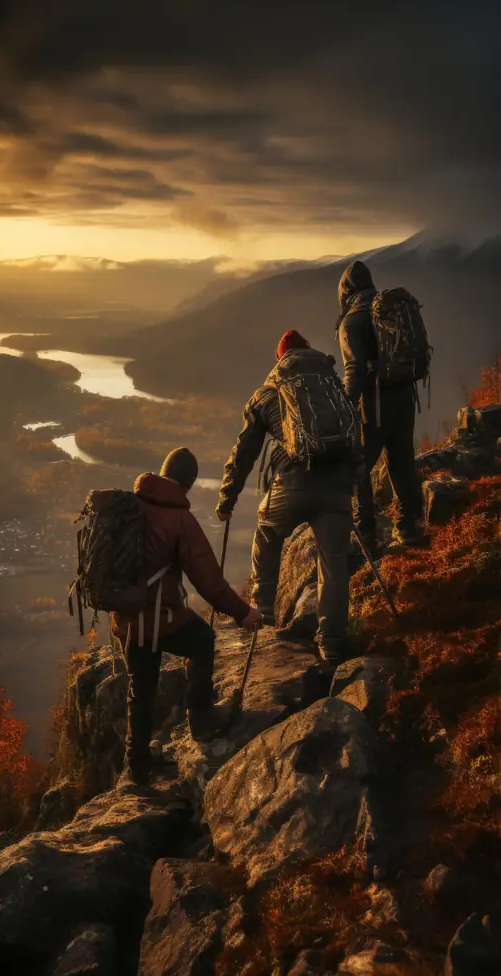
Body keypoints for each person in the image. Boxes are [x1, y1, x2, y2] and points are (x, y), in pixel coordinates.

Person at [111, 447, 261, 786]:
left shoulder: (129, 507)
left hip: (127, 619)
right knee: (202, 641)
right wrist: (244, 614)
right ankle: (202, 719)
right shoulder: (180, 520)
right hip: (161, 619)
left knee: (141, 686)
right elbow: (208, 582)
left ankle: (136, 766)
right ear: (189, 484)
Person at [216, 330, 362, 668]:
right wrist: (356, 482)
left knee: (267, 533)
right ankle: (332, 646)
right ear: (308, 353)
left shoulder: (270, 392)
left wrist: (227, 497)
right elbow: (355, 435)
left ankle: (263, 612)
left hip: (292, 488)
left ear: (279, 358)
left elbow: (244, 454)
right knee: (334, 566)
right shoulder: (332, 386)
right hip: (337, 489)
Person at [337, 259, 423, 554]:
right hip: (405, 395)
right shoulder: (387, 310)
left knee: (357, 468)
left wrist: (344, 406)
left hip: (374, 404)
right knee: (401, 462)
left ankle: (366, 539)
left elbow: (355, 371)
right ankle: (408, 528)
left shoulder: (352, 321)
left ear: (345, 291)